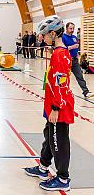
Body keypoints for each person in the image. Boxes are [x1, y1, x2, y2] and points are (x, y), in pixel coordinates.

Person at [24, 15, 74, 192]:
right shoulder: (59, 53)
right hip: (53, 104)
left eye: (44, 35)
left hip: (58, 107)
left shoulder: (59, 55)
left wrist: (55, 108)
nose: (42, 38)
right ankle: (43, 168)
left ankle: (63, 178)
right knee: (49, 136)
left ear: (53, 34)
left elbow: (61, 84)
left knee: (58, 141)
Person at [62, 22, 93, 98]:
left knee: (80, 76)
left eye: (73, 28)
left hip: (75, 61)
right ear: (66, 28)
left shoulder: (75, 37)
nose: (72, 30)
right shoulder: (63, 37)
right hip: (66, 61)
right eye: (70, 28)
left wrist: (78, 56)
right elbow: (62, 49)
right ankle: (62, 92)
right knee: (64, 77)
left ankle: (86, 92)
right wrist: (72, 47)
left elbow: (76, 49)